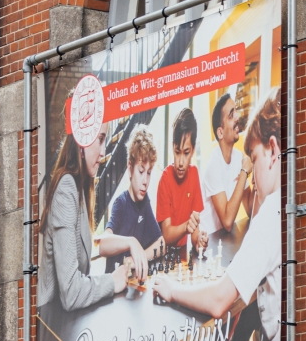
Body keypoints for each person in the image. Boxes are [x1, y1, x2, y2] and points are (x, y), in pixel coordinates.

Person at [151, 96, 284, 341]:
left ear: (273, 151)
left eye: (256, 158)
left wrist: (172, 291)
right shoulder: (285, 205)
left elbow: (217, 301)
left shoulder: (272, 213)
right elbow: (223, 218)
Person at [41, 122, 148, 314]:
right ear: (81, 141)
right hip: (52, 328)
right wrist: (112, 281)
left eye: (104, 139)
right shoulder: (66, 187)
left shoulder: (81, 188)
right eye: (99, 139)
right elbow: (71, 293)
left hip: (67, 322)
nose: (103, 151)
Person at [199, 92, 256, 248]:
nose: (237, 117)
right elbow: (227, 221)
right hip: (207, 246)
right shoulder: (213, 166)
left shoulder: (239, 158)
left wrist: (255, 173)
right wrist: (244, 171)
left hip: (224, 241)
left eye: (236, 111)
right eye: (231, 116)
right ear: (220, 132)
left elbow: (251, 209)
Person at [105, 127, 164, 255]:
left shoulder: (144, 202)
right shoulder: (121, 202)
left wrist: (139, 258)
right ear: (130, 168)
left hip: (132, 274)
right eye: (141, 171)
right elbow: (103, 245)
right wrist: (131, 242)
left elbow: (161, 244)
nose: (145, 181)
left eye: (148, 173)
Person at [155, 120, 207, 261]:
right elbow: (166, 235)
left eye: (186, 153)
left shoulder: (194, 174)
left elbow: (194, 228)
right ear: (172, 147)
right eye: (177, 152)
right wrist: (186, 227)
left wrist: (198, 242)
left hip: (183, 254)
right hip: (163, 254)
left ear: (193, 150)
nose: (181, 162)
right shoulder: (165, 179)